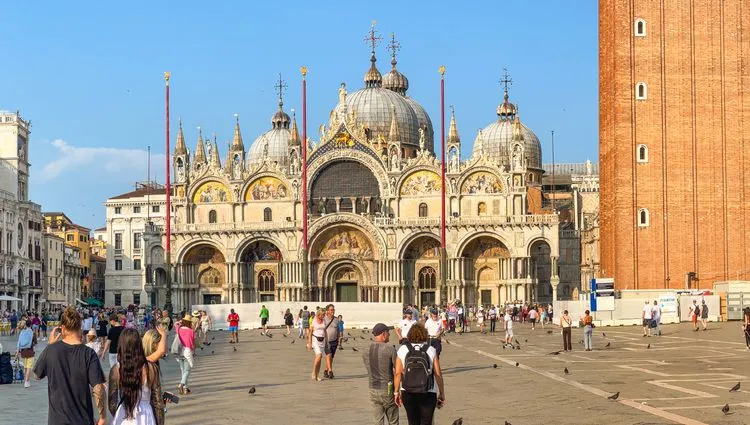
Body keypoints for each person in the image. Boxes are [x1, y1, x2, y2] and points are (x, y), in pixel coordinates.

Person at [34, 307, 107, 425]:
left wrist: (50, 345)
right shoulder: (88, 353)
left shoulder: (51, 350)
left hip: (57, 421)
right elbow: (98, 388)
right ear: (80, 327)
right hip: (83, 419)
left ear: (62, 328)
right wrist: (102, 416)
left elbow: (37, 375)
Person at [108, 326, 168, 425]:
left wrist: (119, 414)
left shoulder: (116, 370)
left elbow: (112, 403)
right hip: (146, 415)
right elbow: (158, 403)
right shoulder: (151, 368)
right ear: (139, 345)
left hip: (125, 413)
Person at [394, 323, 446, 425]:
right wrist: (442, 393)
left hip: (408, 391)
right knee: (426, 422)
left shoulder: (403, 349)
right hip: (428, 391)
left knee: (412, 422)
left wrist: (396, 392)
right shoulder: (431, 350)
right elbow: (438, 373)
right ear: (424, 334)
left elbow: (397, 373)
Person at [362, 323, 398, 425]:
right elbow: (398, 370)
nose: (390, 335)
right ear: (384, 334)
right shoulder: (390, 348)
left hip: (373, 388)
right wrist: (397, 391)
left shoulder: (365, 350)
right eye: (388, 333)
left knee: (378, 421)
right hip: (388, 389)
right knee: (393, 421)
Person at [175, 314, 195, 395]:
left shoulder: (179, 329)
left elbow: (175, 324)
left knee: (183, 371)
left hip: (179, 351)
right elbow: (191, 342)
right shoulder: (191, 331)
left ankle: (185, 388)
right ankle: (182, 384)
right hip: (187, 351)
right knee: (187, 371)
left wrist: (179, 322)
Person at [16, 319, 36, 388]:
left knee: (25, 367)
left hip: (23, 351)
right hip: (30, 351)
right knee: (29, 367)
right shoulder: (32, 332)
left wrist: (17, 351)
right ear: (31, 325)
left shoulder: (22, 332)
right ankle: (26, 381)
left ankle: (26, 380)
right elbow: (35, 343)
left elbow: (19, 342)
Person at [323, 304, 340, 379]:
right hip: (326, 341)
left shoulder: (336, 319)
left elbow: (338, 330)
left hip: (334, 341)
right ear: (327, 311)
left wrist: (338, 339)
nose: (333, 311)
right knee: (328, 355)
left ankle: (326, 370)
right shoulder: (324, 319)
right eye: (331, 310)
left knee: (331, 357)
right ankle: (330, 371)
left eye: (333, 309)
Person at [308, 308, 326, 381]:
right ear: (318, 315)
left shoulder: (324, 320)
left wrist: (327, 341)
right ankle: (314, 373)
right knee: (319, 356)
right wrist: (309, 343)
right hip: (315, 339)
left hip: (323, 340)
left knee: (320, 358)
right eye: (322, 315)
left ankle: (317, 375)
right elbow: (310, 332)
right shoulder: (314, 321)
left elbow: (325, 331)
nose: (323, 316)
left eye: (324, 315)